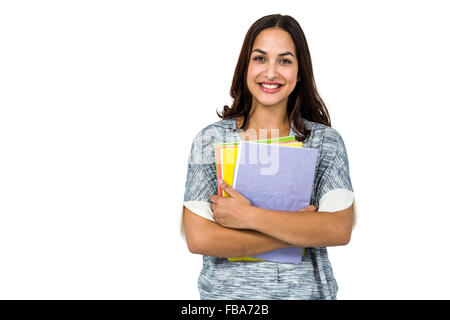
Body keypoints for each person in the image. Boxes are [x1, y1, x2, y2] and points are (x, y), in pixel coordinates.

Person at [181, 14, 356, 300]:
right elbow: (200, 238)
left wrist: (247, 216)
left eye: (285, 61)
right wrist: (297, 230)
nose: (271, 72)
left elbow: (337, 228)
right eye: (260, 58)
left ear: (300, 72)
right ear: (245, 67)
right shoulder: (210, 140)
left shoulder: (325, 142)